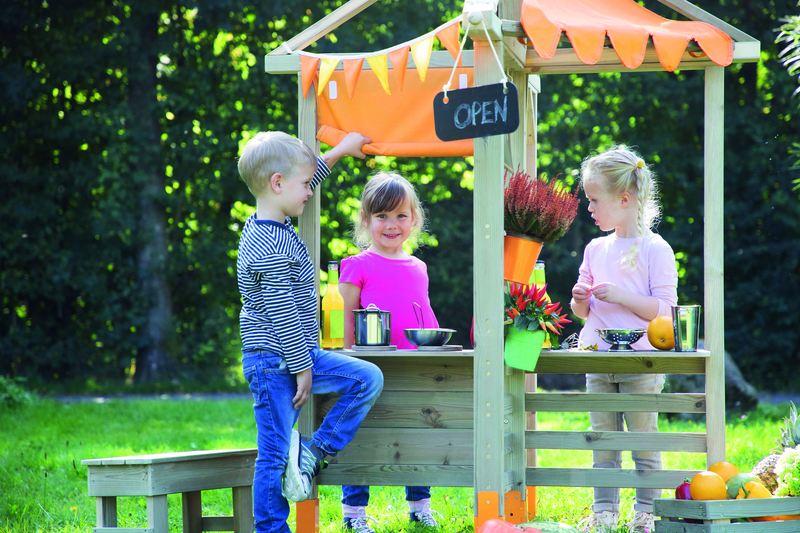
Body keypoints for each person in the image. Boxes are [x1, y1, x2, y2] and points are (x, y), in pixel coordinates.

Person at [236, 131, 384, 533]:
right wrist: (303, 369)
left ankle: (315, 451)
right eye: (304, 185)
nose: (309, 191)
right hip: (274, 362)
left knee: (366, 377)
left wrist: (337, 152)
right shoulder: (267, 243)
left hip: (297, 354)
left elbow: (305, 176)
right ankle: (271, 528)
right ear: (277, 184)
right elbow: (281, 312)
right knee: (273, 450)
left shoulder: (275, 218)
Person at [570, 145, 678, 533]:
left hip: (642, 362)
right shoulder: (595, 248)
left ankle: (647, 513)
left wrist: (621, 296)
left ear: (625, 199)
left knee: (643, 443)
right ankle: (604, 513)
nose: (590, 208)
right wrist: (579, 300)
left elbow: (665, 312)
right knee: (603, 442)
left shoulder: (656, 249)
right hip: (597, 358)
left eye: (594, 199)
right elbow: (582, 313)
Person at [338, 172, 440, 532]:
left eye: (400, 215)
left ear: (414, 219)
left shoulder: (419, 268)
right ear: (366, 220)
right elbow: (346, 321)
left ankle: (419, 505)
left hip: (411, 367)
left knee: (416, 431)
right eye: (381, 216)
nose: (391, 224)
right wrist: (350, 360)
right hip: (368, 369)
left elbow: (423, 316)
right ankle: (354, 513)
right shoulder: (357, 265)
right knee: (362, 434)